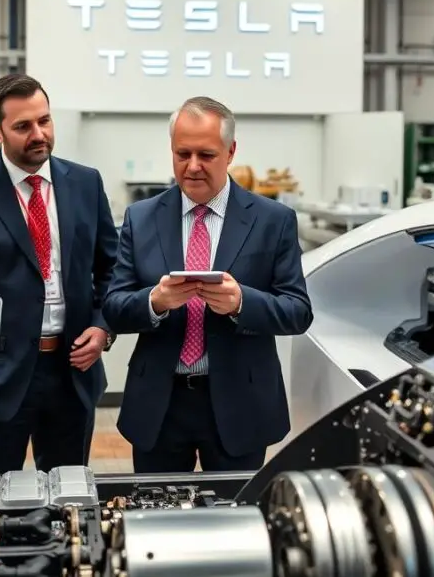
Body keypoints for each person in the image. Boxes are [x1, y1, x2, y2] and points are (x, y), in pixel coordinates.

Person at [102, 96, 313, 474]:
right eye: (182, 154)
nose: (193, 166)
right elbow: (114, 307)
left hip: (241, 402)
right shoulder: (142, 217)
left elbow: (298, 312)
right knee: (156, 508)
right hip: (160, 405)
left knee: (237, 508)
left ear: (230, 152)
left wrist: (241, 302)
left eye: (206, 155)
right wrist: (155, 301)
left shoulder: (273, 220)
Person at [0, 73, 119, 474]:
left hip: (72, 373)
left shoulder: (85, 183)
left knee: (68, 497)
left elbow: (112, 269)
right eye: (23, 126)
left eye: (44, 121)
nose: (39, 134)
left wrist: (103, 328)